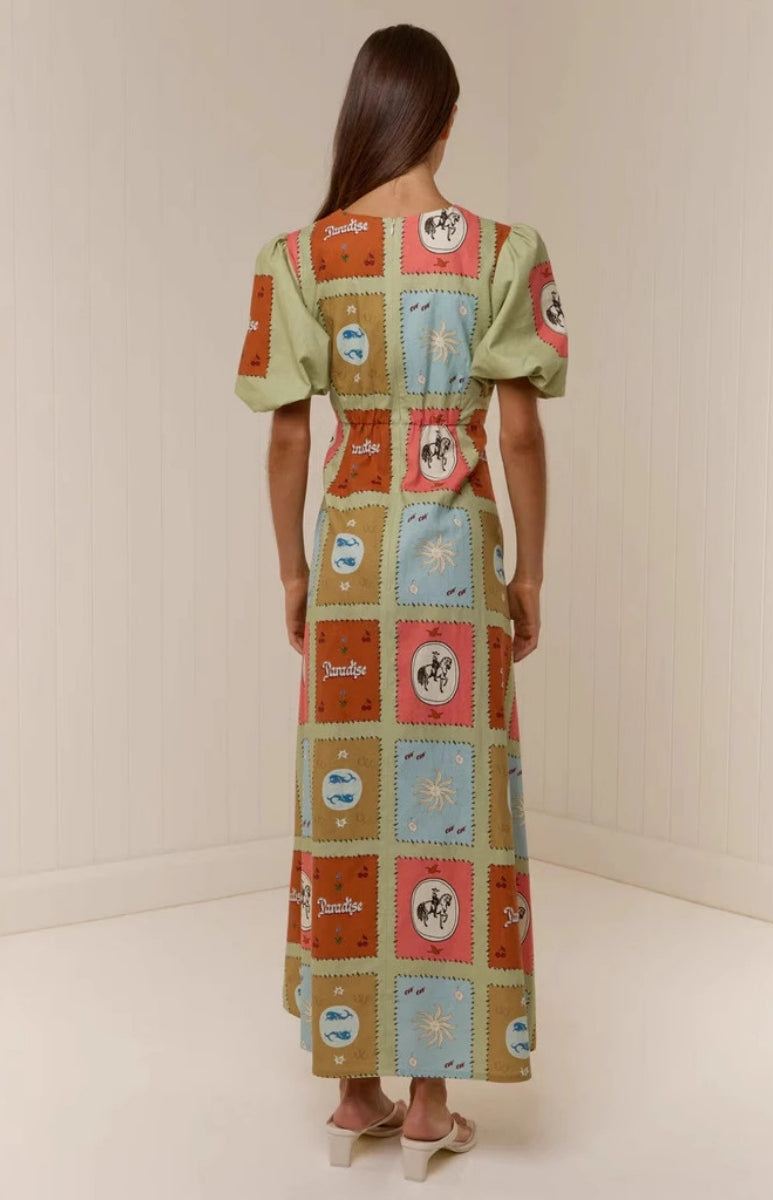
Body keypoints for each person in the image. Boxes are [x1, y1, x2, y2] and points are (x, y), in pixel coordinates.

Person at [233, 22, 569, 1183]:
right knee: (446, 814)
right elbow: (516, 433)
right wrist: (528, 572)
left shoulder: (300, 256)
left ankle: (351, 1089)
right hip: (454, 562)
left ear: (364, 114)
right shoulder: (499, 252)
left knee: (355, 812)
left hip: (352, 561)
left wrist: (293, 569)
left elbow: (289, 439)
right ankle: (428, 1102)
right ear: (445, 118)